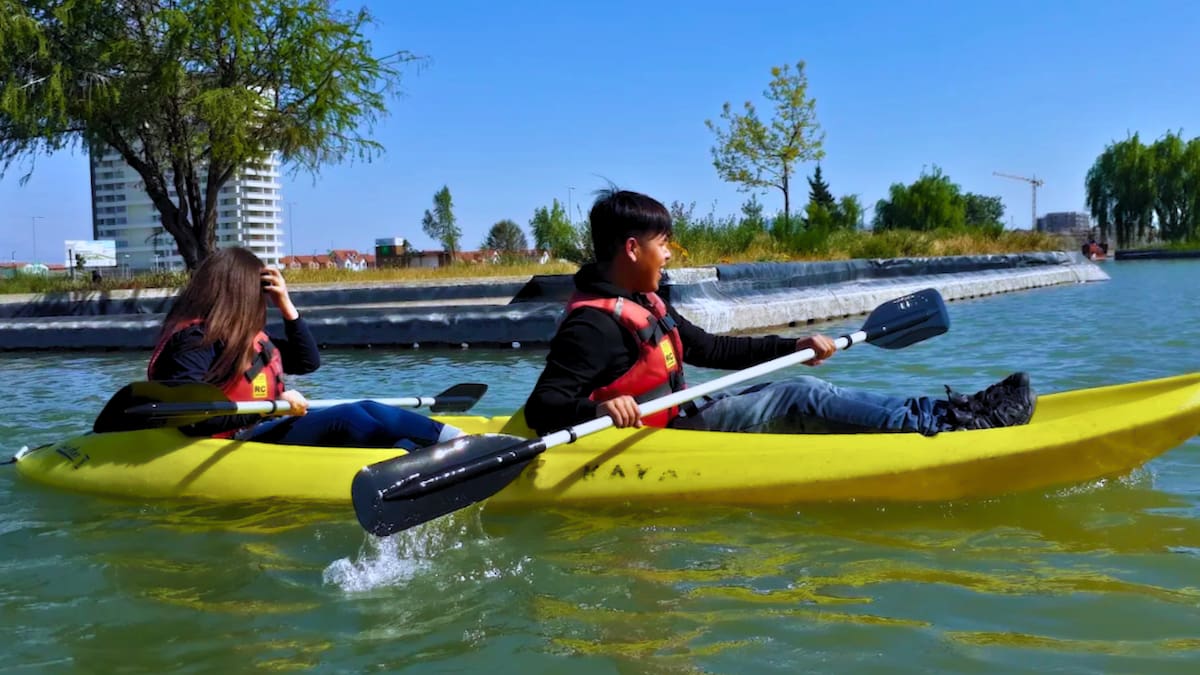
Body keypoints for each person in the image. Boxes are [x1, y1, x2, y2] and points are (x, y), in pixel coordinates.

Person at [523, 189, 1036, 437]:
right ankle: (949, 424)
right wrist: (602, 410)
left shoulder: (647, 302)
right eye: (665, 244)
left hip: (680, 418)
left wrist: (793, 346)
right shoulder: (592, 323)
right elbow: (543, 408)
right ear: (633, 249)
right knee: (798, 394)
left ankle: (939, 411)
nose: (672, 253)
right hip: (657, 442)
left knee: (797, 383)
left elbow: (710, 349)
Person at [147, 247, 462, 449]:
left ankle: (443, 445)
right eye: (258, 291)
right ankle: (435, 449)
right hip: (229, 441)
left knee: (368, 409)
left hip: (262, 426)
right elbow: (190, 416)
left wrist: (286, 305)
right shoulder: (193, 341)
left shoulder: (242, 338)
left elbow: (307, 361)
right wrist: (271, 407)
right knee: (350, 417)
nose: (259, 299)